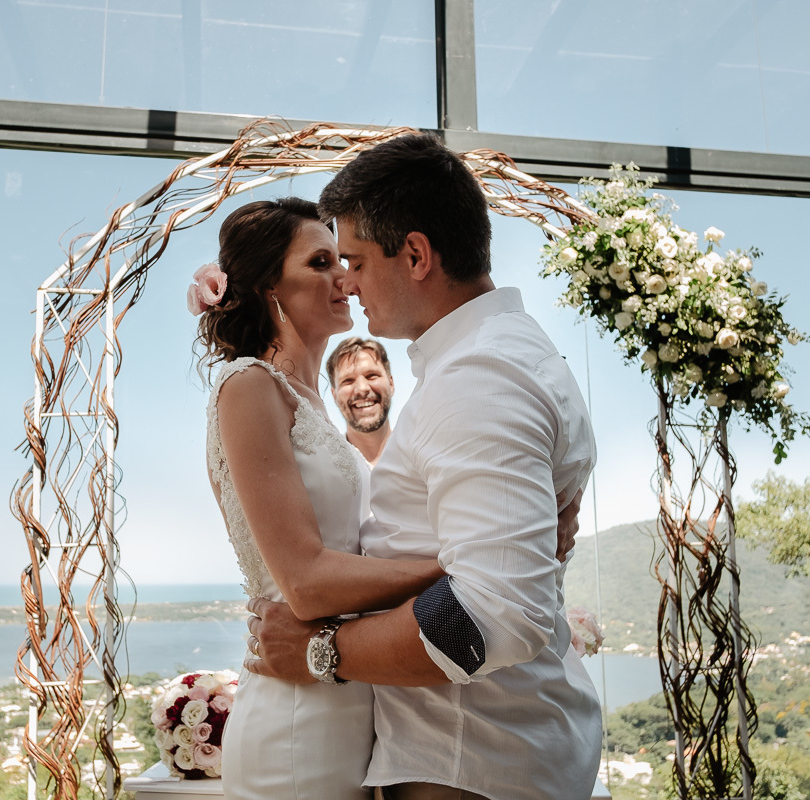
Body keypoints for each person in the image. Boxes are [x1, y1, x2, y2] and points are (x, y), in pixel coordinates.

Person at [245, 134, 602, 800]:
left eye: (354, 259)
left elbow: (496, 611)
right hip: (481, 751)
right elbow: (499, 570)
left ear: (414, 255)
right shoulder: (503, 356)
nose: (348, 282)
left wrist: (322, 652)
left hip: (472, 762)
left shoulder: (478, 378)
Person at [196, 197, 445, 800]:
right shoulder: (248, 386)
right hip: (295, 720)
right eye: (320, 262)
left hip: (344, 692)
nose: (345, 277)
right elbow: (305, 582)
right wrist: (457, 569)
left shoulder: (312, 405)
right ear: (267, 287)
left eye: (342, 260)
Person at [326, 337, 395, 465]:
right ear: (334, 395)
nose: (362, 389)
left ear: (391, 384)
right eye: (348, 381)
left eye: (372, 376)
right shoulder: (325, 464)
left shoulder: (420, 449)